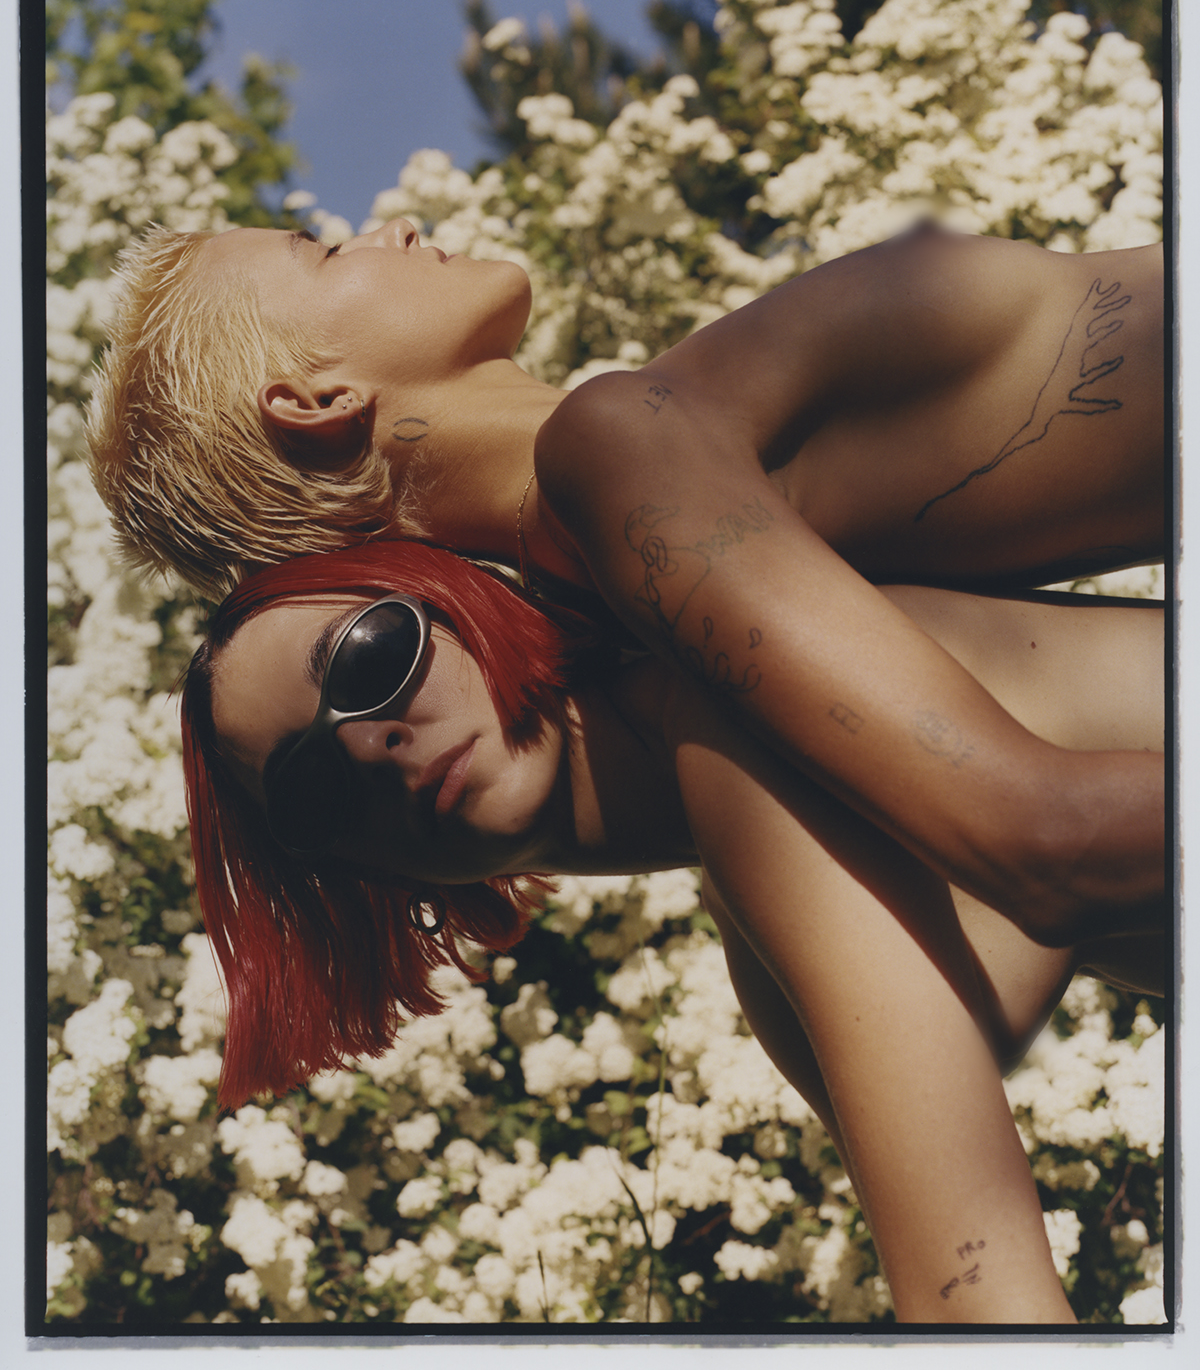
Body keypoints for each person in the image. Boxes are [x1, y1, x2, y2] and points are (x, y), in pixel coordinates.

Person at [89, 216, 1166, 946]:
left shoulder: (641, 564)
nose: (396, 227)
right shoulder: (622, 466)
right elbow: (1044, 841)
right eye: (326, 251)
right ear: (313, 399)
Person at [181, 538, 1163, 1324]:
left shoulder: (749, 716)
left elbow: (977, 1310)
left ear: (462, 592)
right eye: (312, 788)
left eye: (370, 656)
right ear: (357, 872)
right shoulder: (765, 949)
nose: (369, 742)